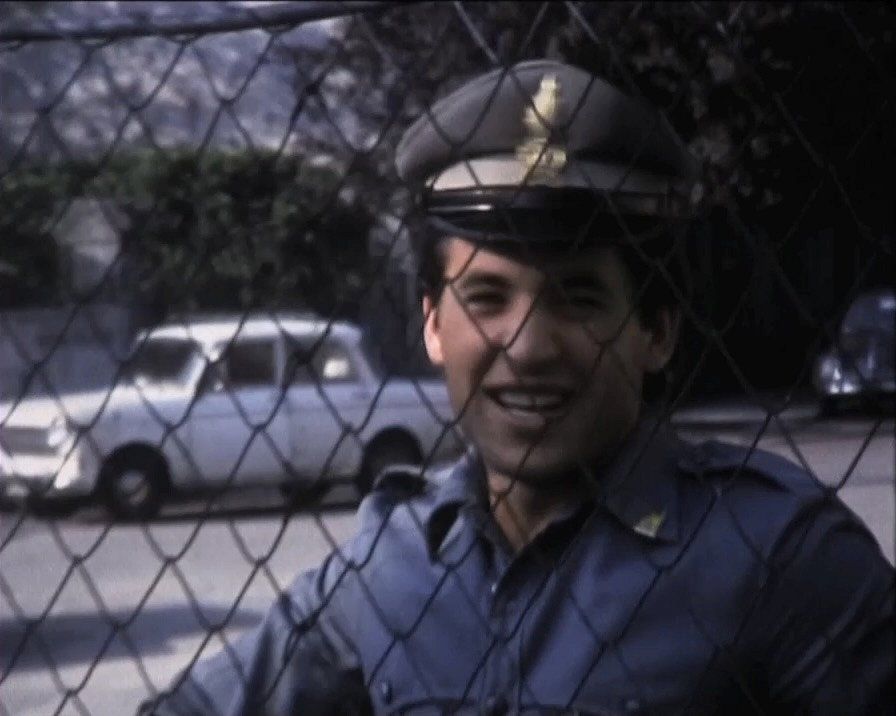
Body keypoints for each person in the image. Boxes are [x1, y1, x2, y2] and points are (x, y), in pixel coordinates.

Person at [143, 60, 894, 715]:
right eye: (487, 297)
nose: (528, 348)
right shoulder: (393, 563)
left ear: (656, 331)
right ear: (434, 325)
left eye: (578, 298)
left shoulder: (780, 556)